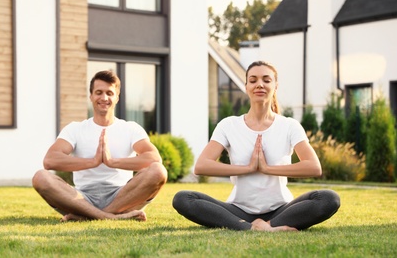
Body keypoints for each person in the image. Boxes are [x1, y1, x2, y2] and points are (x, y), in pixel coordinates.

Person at [172, 61, 340, 231]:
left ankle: (266, 225)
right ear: (246, 87)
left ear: (276, 86)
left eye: (266, 80)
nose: (260, 84)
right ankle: (254, 228)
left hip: (282, 209)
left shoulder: (289, 125)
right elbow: (202, 166)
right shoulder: (229, 125)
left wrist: (266, 169)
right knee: (183, 198)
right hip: (238, 211)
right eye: (253, 80)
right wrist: (248, 168)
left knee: (328, 198)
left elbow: (313, 167)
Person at [32, 70, 167, 222]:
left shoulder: (131, 128)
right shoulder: (75, 128)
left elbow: (154, 159)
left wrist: (112, 162)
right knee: (40, 177)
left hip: (123, 196)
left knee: (158, 171)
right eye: (98, 92)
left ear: (117, 97)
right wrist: (93, 162)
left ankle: (89, 216)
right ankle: (109, 216)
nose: (104, 98)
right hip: (81, 198)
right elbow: (50, 160)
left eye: (109, 93)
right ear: (91, 96)